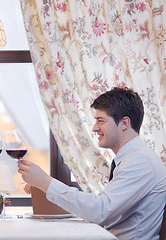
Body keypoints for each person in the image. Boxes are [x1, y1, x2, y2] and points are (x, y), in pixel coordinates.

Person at [18, 87, 166, 239]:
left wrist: (45, 182)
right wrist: (43, 187)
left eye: (101, 121)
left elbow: (100, 211)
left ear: (124, 123)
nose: (95, 128)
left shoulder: (141, 162)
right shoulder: (131, 158)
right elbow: (103, 209)